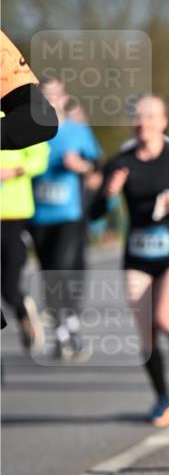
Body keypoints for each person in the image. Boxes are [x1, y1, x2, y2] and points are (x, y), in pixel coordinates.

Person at [92, 95, 169, 426]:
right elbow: (94, 214)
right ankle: (163, 400)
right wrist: (108, 193)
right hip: (137, 256)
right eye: (138, 117)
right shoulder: (120, 162)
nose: (144, 123)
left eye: (150, 117)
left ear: (163, 121)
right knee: (145, 335)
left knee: (166, 321)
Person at [30, 77, 101, 360]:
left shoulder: (76, 131)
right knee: (49, 272)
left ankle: (70, 322)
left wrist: (81, 166)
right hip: (38, 214)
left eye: (57, 95)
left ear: (64, 97)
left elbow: (96, 166)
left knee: (64, 267)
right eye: (46, 96)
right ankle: (61, 331)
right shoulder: (28, 131)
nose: (53, 100)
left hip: (70, 213)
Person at [0, 31, 57, 345]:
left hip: (13, 210)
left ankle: (24, 315)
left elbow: (41, 123)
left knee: (9, 285)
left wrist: (16, 169)